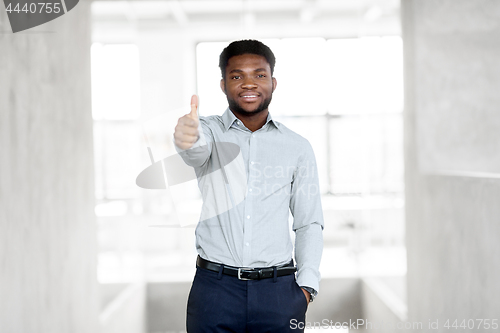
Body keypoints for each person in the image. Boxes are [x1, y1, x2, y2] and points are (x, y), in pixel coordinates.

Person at [173, 39, 324, 332]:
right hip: (215, 292)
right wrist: (186, 136)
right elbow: (195, 150)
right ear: (223, 84)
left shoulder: (297, 147)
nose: (248, 83)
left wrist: (306, 289)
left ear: (273, 81)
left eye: (259, 74)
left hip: (279, 293)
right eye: (237, 75)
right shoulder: (208, 131)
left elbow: (309, 223)